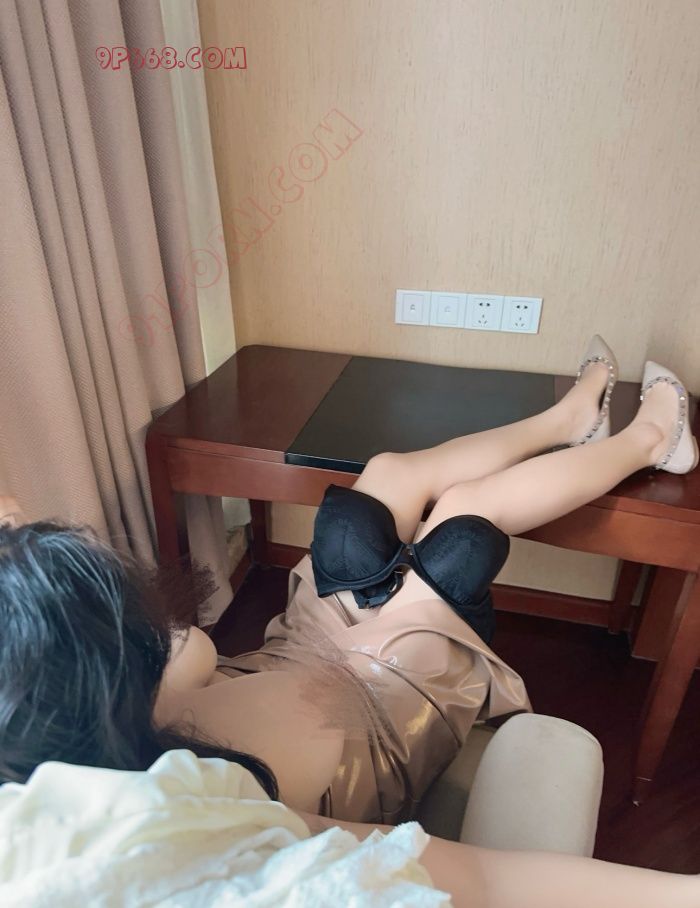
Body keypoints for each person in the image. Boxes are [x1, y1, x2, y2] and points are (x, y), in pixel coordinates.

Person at [0, 337, 698, 907]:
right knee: (464, 519)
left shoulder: (58, 765)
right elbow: (480, 881)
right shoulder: (191, 826)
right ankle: (652, 440)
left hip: (300, 651)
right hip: (384, 711)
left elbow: (189, 657)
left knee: (387, 478)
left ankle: (569, 421)